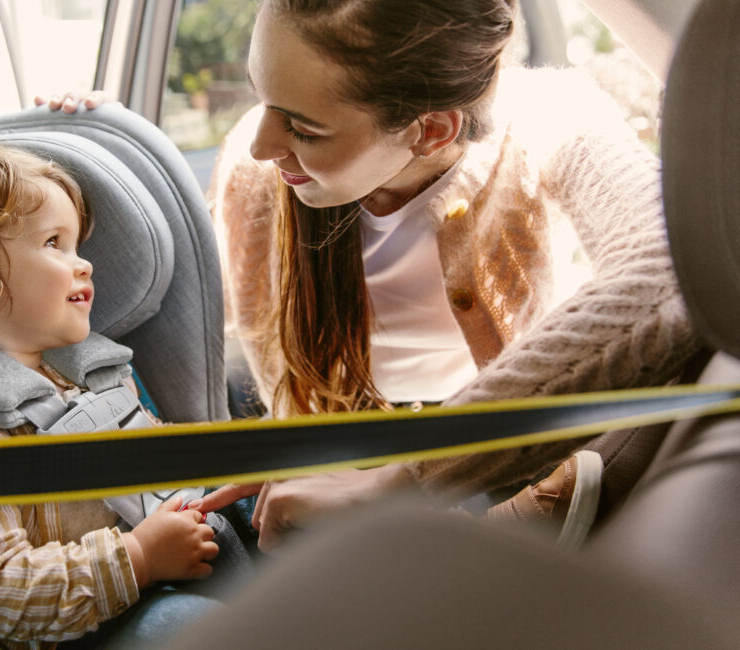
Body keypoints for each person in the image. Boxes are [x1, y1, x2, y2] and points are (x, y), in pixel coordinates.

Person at [188, 0, 700, 550]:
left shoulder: (551, 120)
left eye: (304, 129)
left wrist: (404, 479)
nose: (261, 146)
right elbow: (206, 316)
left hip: (502, 453)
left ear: (430, 131)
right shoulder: (254, 171)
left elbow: (675, 270)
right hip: (336, 438)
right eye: (261, 96)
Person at [0, 142, 238, 648]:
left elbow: (148, 448)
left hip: (167, 556)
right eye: (53, 243)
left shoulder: (89, 373)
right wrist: (139, 558)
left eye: (78, 246)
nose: (84, 264)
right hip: (93, 628)